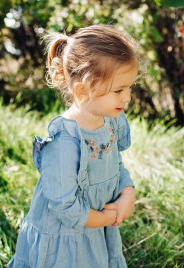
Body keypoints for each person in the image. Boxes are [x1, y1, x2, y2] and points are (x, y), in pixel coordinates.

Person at [7, 24, 139, 268]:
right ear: (83, 90)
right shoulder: (65, 142)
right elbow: (63, 205)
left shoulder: (111, 121)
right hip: (64, 241)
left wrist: (127, 191)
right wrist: (105, 218)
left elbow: (115, 164)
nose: (127, 97)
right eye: (119, 90)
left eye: (130, 87)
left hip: (98, 231)